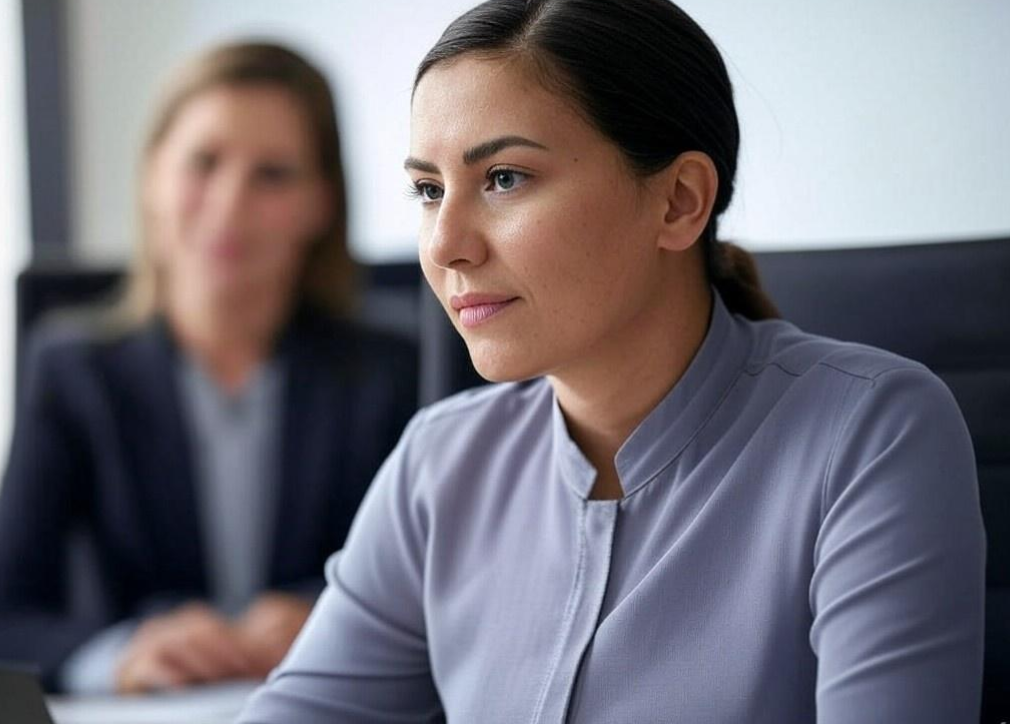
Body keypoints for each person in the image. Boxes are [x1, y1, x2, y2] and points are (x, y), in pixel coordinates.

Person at [237, 1, 985, 721]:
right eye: (429, 190)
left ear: (679, 201)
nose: (443, 245)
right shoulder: (440, 464)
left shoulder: (870, 433)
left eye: (504, 178)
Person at [0, 41, 418, 694]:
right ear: (152, 178)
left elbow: (442, 586)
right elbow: (10, 614)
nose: (230, 204)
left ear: (321, 203)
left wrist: (334, 617)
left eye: (273, 174)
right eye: (204, 162)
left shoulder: (395, 371)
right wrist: (121, 655)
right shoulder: (72, 371)